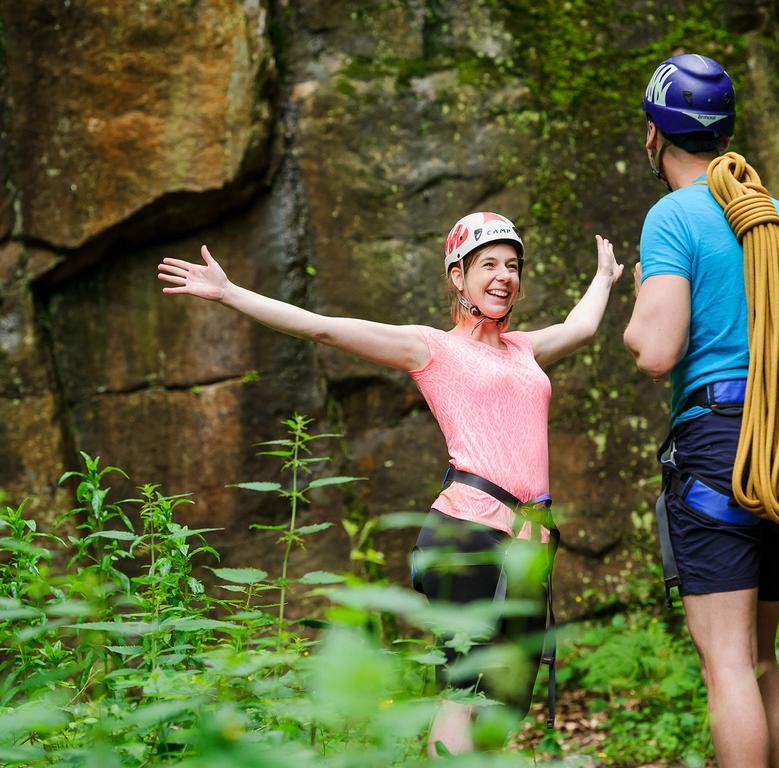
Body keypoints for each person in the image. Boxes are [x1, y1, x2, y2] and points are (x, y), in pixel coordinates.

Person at [157, 211, 623, 754]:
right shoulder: (432, 349)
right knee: (466, 687)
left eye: (513, 266)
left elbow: (583, 328)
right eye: (488, 264)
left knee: (505, 695)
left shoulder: (524, 350)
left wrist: (604, 278)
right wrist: (232, 293)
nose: (504, 276)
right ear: (458, 276)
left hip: (527, 544)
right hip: (467, 533)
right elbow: (322, 327)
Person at [623, 53, 779, 768]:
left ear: (656, 134)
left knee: (726, 663)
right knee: (763, 661)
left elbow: (657, 351)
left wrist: (633, 320)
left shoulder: (674, 217)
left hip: (718, 445)